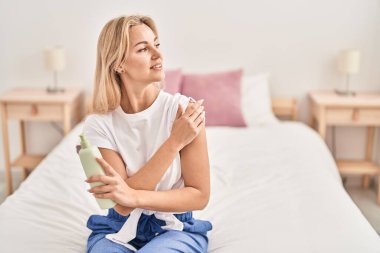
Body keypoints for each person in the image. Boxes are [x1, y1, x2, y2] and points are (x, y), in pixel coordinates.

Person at [82, 15, 213, 253]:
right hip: (116, 227)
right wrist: (174, 142)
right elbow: (121, 207)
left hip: (174, 228)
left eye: (157, 44)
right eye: (143, 49)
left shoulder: (184, 112)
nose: (158, 54)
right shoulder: (99, 125)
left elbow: (199, 196)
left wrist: (131, 195)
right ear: (118, 63)